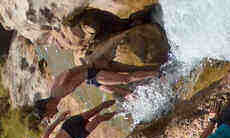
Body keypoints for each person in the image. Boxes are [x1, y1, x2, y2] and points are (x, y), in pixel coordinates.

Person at [33, 33, 162, 121]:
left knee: (125, 79)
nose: (50, 117)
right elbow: (74, 79)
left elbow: (68, 73)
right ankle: (155, 77)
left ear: (47, 107)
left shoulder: (57, 91)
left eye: (47, 116)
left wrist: (91, 65)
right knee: (124, 86)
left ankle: (158, 74)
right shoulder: (56, 96)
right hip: (90, 78)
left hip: (91, 73)